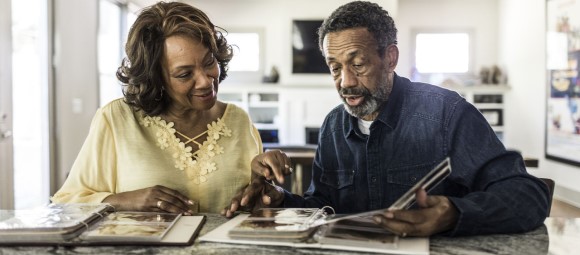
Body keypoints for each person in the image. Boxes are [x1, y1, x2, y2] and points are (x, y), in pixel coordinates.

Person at [225, 1, 550, 237]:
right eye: (335, 67)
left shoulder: (446, 114)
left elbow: (528, 196)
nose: (345, 82)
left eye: (358, 63)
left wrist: (453, 214)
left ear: (390, 57)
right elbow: (322, 207)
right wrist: (279, 200)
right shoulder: (332, 128)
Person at [51, 1, 290, 214]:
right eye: (185, 74)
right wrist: (123, 200)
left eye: (209, 62)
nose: (206, 81)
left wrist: (265, 192)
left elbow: (256, 203)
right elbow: (67, 203)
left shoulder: (238, 120)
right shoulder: (116, 119)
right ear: (156, 79)